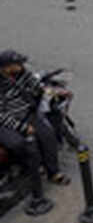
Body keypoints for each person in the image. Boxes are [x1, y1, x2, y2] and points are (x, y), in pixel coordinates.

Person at [0, 50, 68, 186]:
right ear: (7, 68)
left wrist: (50, 92)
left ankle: (53, 172)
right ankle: (28, 167)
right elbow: (1, 115)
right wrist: (23, 128)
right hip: (8, 121)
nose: (21, 66)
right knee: (21, 144)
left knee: (48, 135)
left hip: (27, 113)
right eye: (17, 64)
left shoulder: (22, 73)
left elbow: (36, 86)